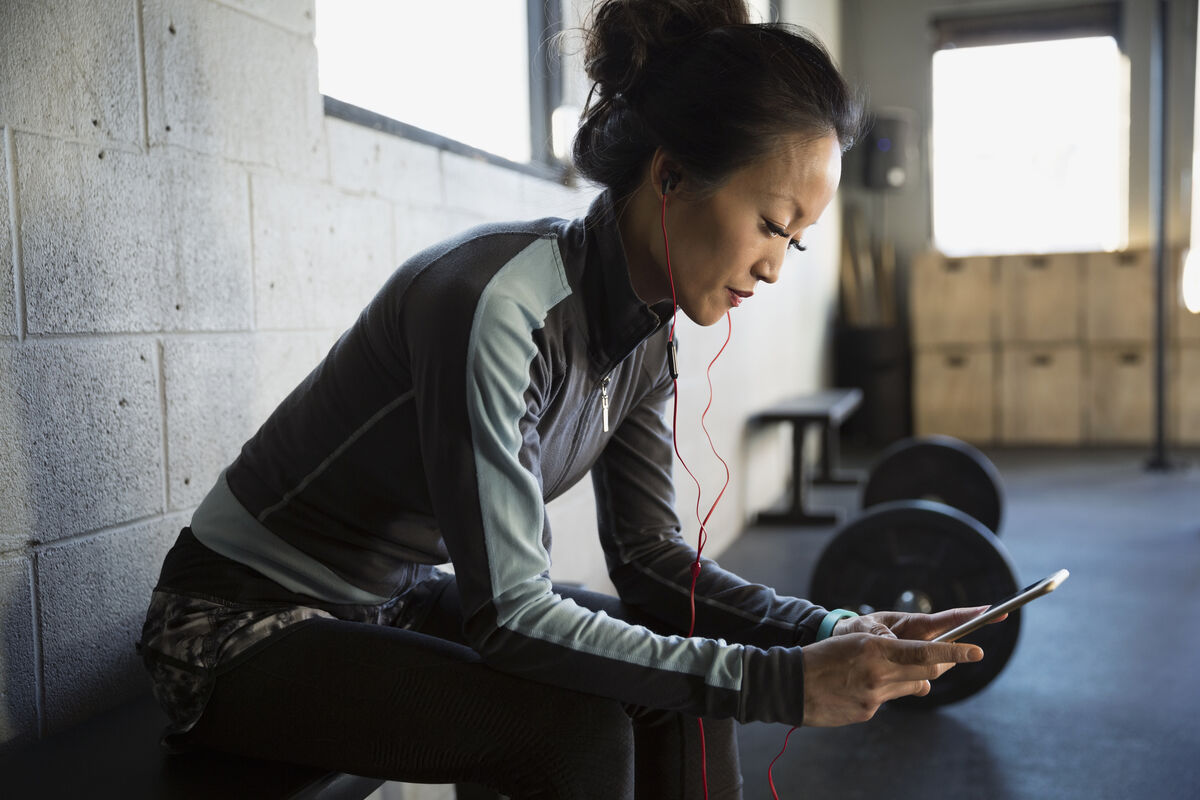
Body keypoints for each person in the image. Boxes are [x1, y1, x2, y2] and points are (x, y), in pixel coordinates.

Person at [138, 1, 988, 797]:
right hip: (233, 628)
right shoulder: (497, 305)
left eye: (794, 243)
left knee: (684, 688)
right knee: (574, 730)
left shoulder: (648, 334)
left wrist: (834, 628)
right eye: (770, 224)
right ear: (673, 175)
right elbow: (511, 615)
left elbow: (650, 559)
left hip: (385, 604)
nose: (774, 264)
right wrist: (778, 681)